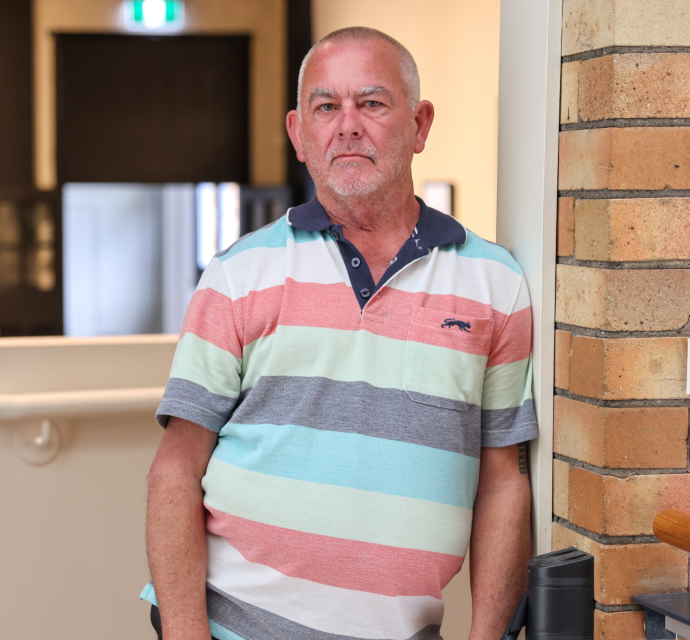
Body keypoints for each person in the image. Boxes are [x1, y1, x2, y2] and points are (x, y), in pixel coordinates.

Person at [143, 26, 537, 640]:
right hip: (233, 627)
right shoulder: (237, 274)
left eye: (372, 103)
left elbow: (503, 481)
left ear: (420, 125)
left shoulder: (496, 283)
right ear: (300, 134)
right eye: (326, 107)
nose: (347, 126)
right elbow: (174, 471)